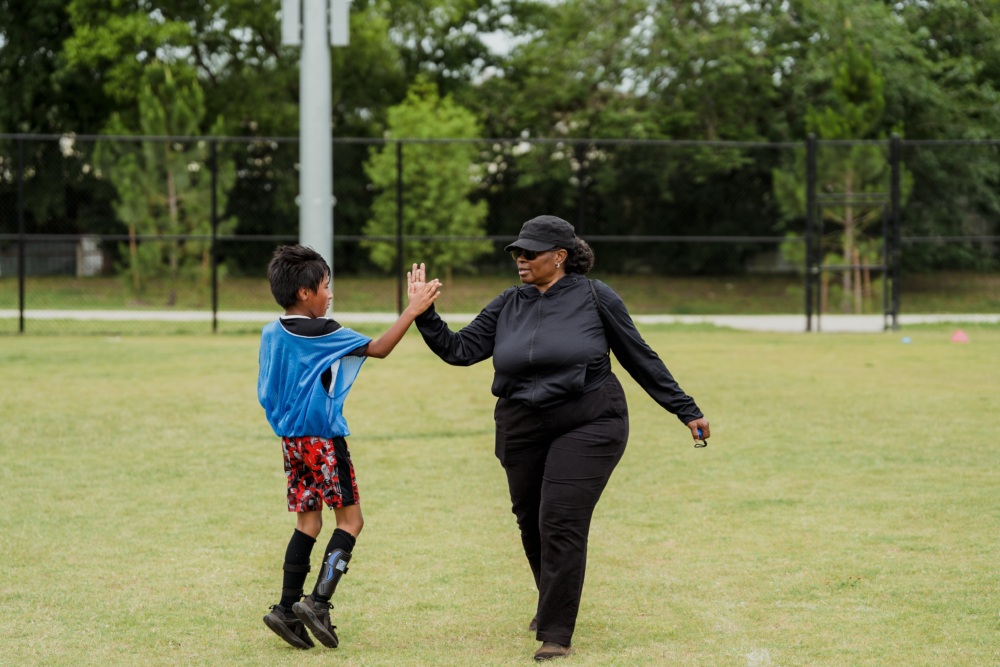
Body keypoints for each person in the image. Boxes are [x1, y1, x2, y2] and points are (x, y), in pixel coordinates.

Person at [410, 215, 710, 661]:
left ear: (561, 256)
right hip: (521, 425)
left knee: (560, 521)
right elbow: (461, 350)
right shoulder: (508, 302)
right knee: (530, 519)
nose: (521, 259)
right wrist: (425, 313)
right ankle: (552, 599)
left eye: (530, 252)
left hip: (590, 420)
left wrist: (684, 409)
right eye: (517, 252)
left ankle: (556, 633)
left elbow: (639, 355)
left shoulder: (594, 296)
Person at [258, 244, 440, 650]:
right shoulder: (323, 331)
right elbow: (378, 348)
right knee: (350, 522)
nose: (330, 294)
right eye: (326, 286)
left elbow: (267, 390)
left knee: (308, 523)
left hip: (292, 443)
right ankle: (318, 603)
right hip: (324, 442)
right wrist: (412, 309)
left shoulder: (271, 332)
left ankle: (286, 609)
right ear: (305, 292)